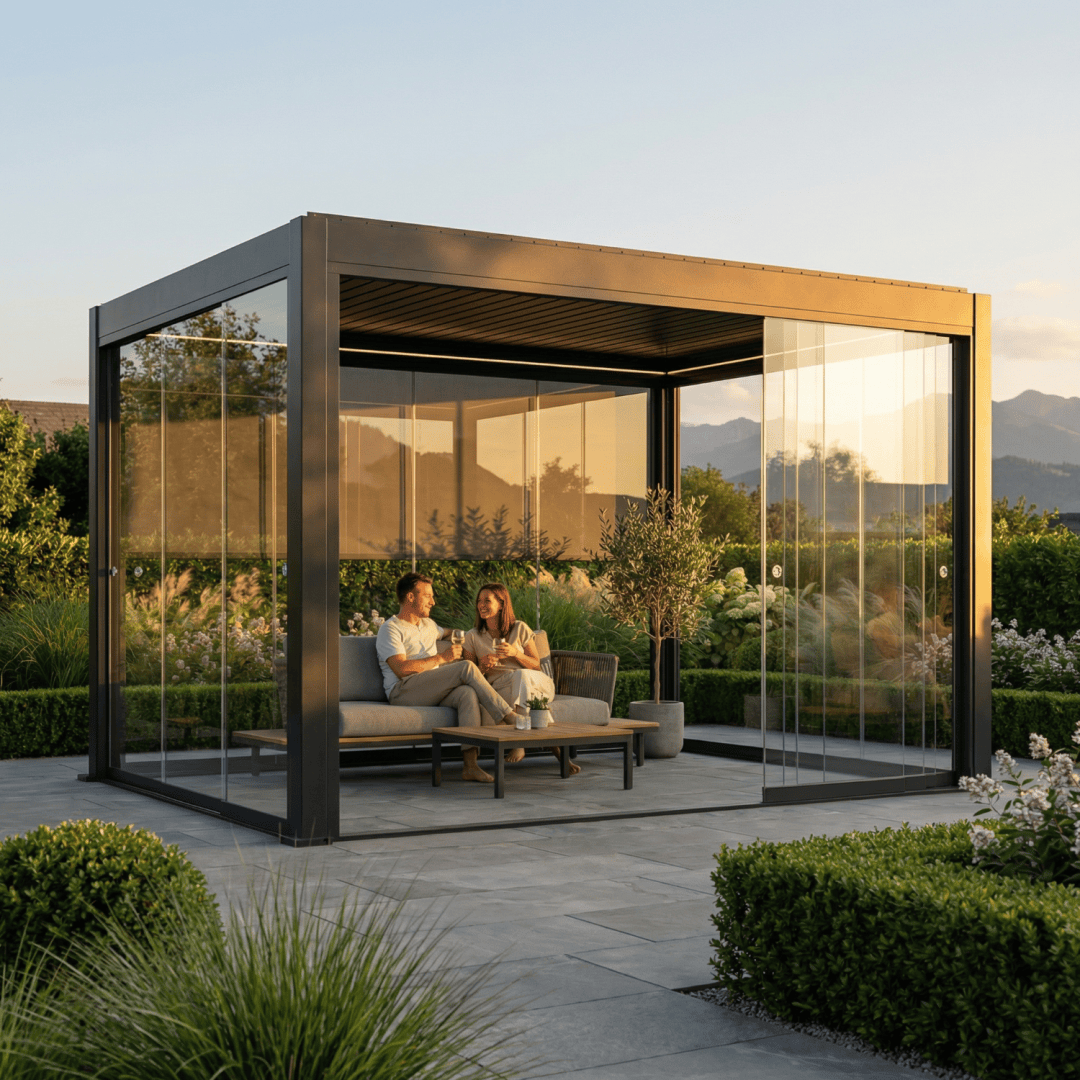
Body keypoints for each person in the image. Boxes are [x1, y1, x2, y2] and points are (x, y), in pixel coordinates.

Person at [375, 572, 518, 784]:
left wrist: (473, 637)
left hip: (430, 689)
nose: (433, 602)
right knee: (465, 667)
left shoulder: (428, 625)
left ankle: (470, 766)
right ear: (411, 597)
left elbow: (451, 633)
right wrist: (442, 658)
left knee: (466, 694)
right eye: (428, 596)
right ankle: (507, 715)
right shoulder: (391, 629)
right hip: (403, 691)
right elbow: (401, 669)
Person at [463, 582, 578, 775]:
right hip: (502, 688)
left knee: (522, 676)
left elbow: (536, 665)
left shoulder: (519, 628)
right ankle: (560, 756)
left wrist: (515, 653)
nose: (481, 604)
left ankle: (519, 741)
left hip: (537, 682)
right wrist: (482, 667)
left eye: (487, 600)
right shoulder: (472, 636)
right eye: (479, 601)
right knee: (535, 704)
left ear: (501, 604)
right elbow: (469, 674)